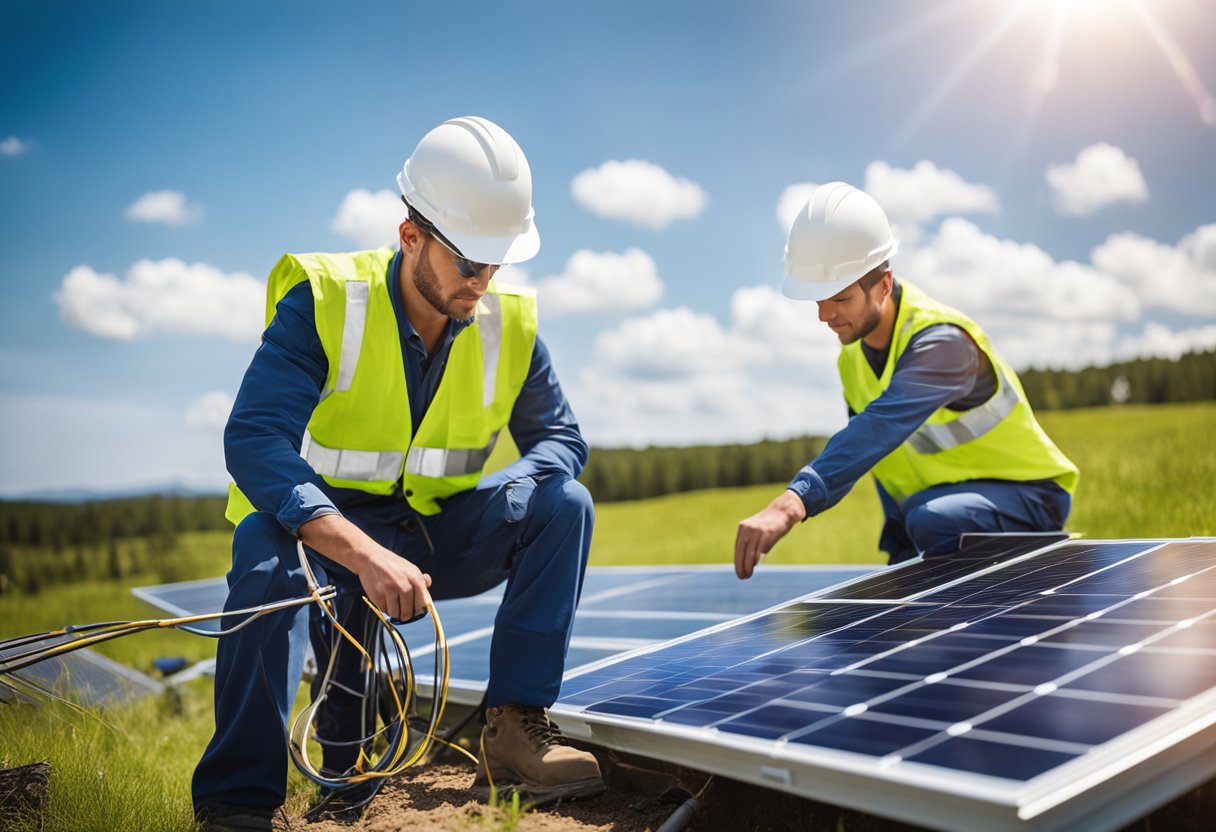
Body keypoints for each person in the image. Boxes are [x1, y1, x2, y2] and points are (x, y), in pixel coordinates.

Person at [192, 116, 604, 832]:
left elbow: (562, 438)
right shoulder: (324, 301)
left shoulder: (508, 325)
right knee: (263, 555)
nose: (483, 282)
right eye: (468, 262)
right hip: (324, 534)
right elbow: (256, 438)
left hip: (433, 533)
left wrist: (519, 485)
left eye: (496, 263)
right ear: (410, 236)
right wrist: (360, 551)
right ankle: (238, 801)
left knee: (563, 502)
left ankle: (514, 731)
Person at [735, 181, 1078, 578]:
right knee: (918, 526)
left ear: (882, 284)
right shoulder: (851, 360)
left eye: (840, 298)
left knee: (930, 520)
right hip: (942, 505)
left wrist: (791, 502)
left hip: (1030, 498)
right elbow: (881, 457)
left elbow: (878, 428)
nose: (824, 315)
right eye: (818, 300)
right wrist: (899, 550)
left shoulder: (943, 343)